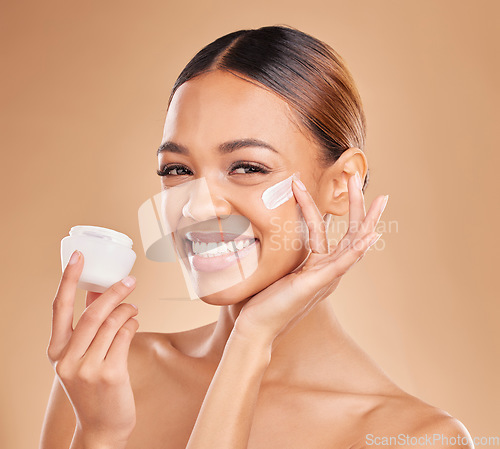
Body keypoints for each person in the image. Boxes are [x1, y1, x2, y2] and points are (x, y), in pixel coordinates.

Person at [40, 25, 473, 449]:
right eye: (178, 170)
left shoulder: (418, 439)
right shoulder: (106, 378)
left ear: (342, 184)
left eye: (247, 168)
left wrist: (250, 341)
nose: (196, 207)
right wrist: (98, 435)